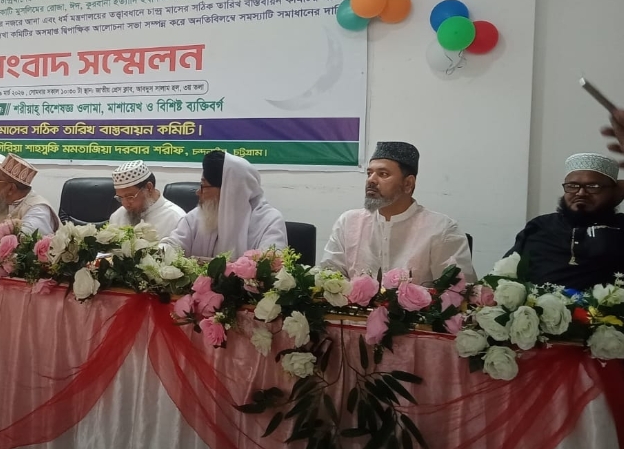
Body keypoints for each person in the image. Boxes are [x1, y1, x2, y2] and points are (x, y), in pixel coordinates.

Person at [320, 141, 475, 284]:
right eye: (369, 173)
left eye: (383, 174)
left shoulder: (442, 229)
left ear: (408, 184)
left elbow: (457, 293)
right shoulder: (348, 223)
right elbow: (328, 276)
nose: (371, 180)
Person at [506, 153, 624, 290]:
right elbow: (504, 273)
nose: (580, 193)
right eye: (572, 185)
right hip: (537, 302)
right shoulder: (541, 226)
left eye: (593, 186)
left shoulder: (620, 227)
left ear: (614, 192)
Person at [160, 151, 287, 258]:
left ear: (228, 191)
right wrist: (159, 253)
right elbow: (174, 244)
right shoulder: (197, 217)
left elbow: (270, 267)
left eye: (203, 186)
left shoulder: (269, 222)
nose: (198, 192)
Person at [108, 160, 185, 237]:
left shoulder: (176, 219)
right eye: (120, 197)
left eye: (130, 197)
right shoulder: (118, 216)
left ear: (149, 188)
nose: (125, 204)